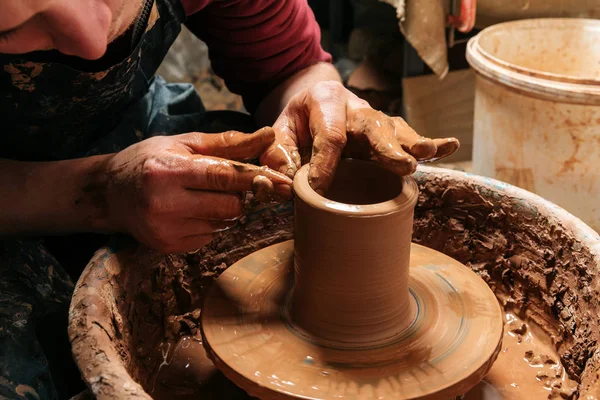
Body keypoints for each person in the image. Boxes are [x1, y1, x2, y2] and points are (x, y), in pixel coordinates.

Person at [0, 0, 459, 398]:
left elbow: (291, 68)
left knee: (276, 172)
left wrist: (319, 100)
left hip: (126, 126)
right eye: (11, 27)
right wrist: (98, 192)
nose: (92, 42)